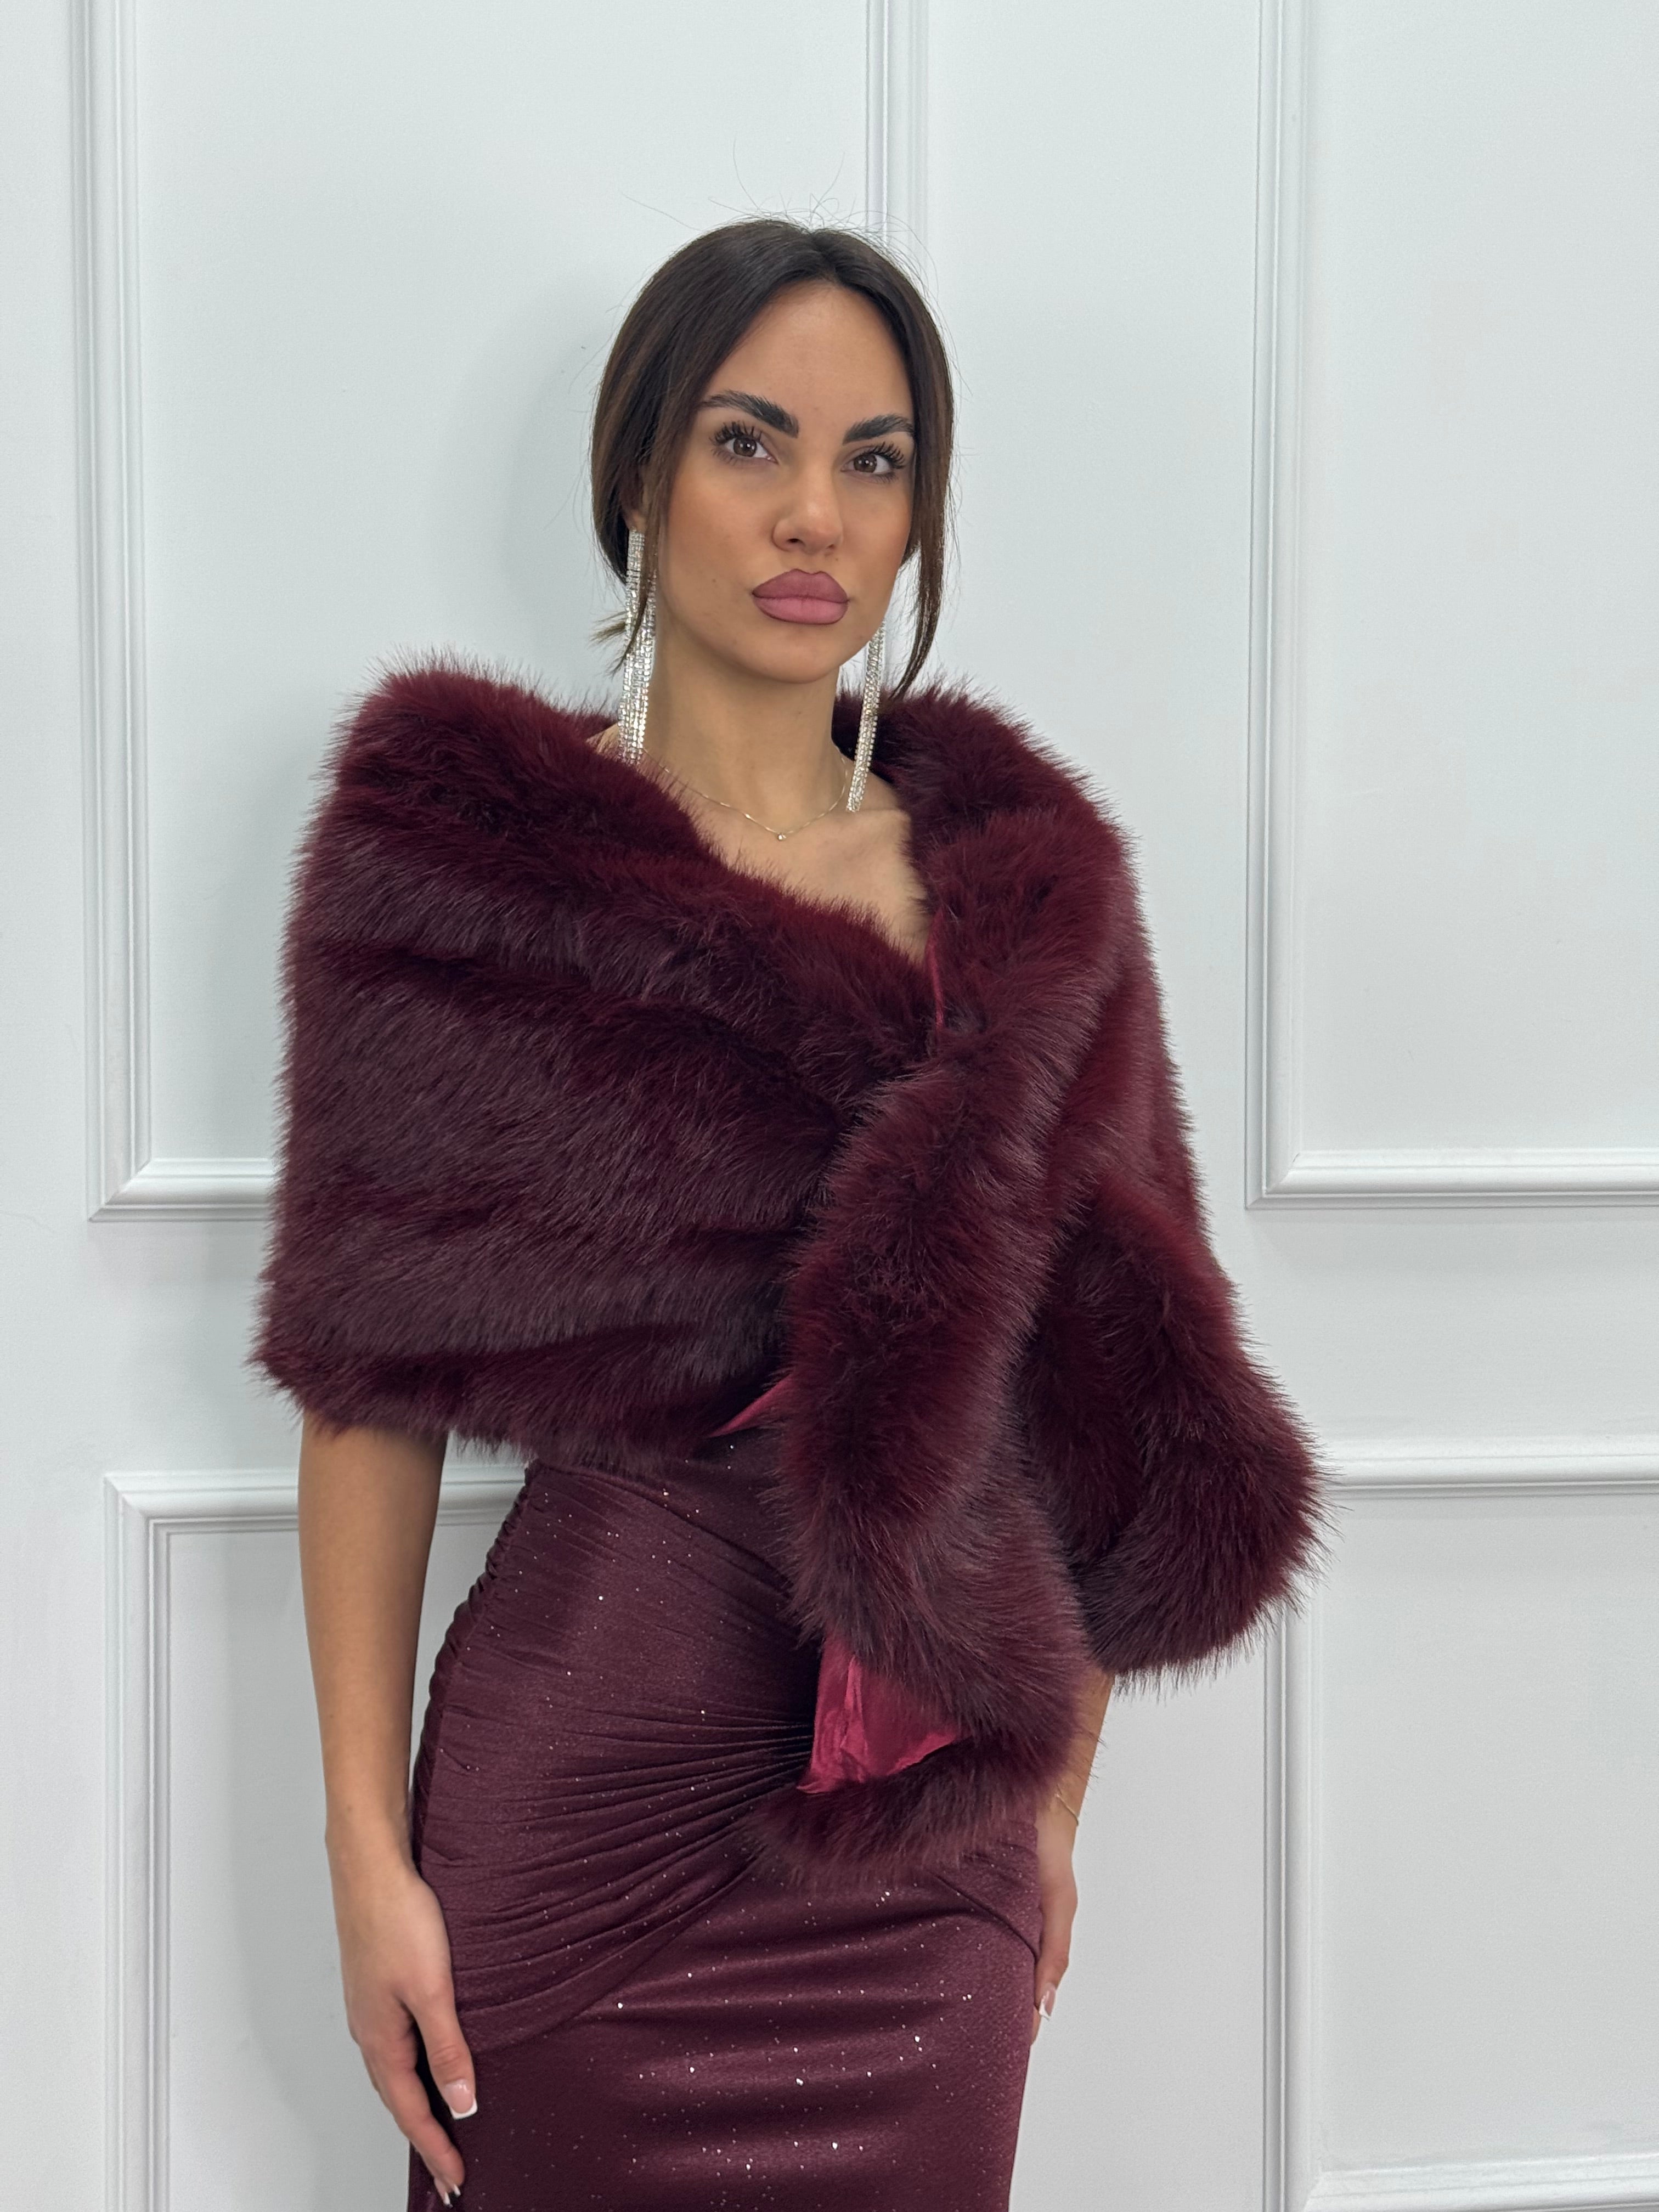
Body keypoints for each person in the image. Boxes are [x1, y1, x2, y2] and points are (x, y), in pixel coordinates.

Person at [251, 217, 1327, 2211]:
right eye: (749, 442)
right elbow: (364, 1400)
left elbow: (1116, 1405)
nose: (813, 514)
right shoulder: (461, 864)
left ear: (921, 514)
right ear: (639, 470)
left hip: (928, 1859)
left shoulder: (1039, 904)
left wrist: (1056, 1807)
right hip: (571, 1824)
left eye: (875, 459)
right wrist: (362, 1855)